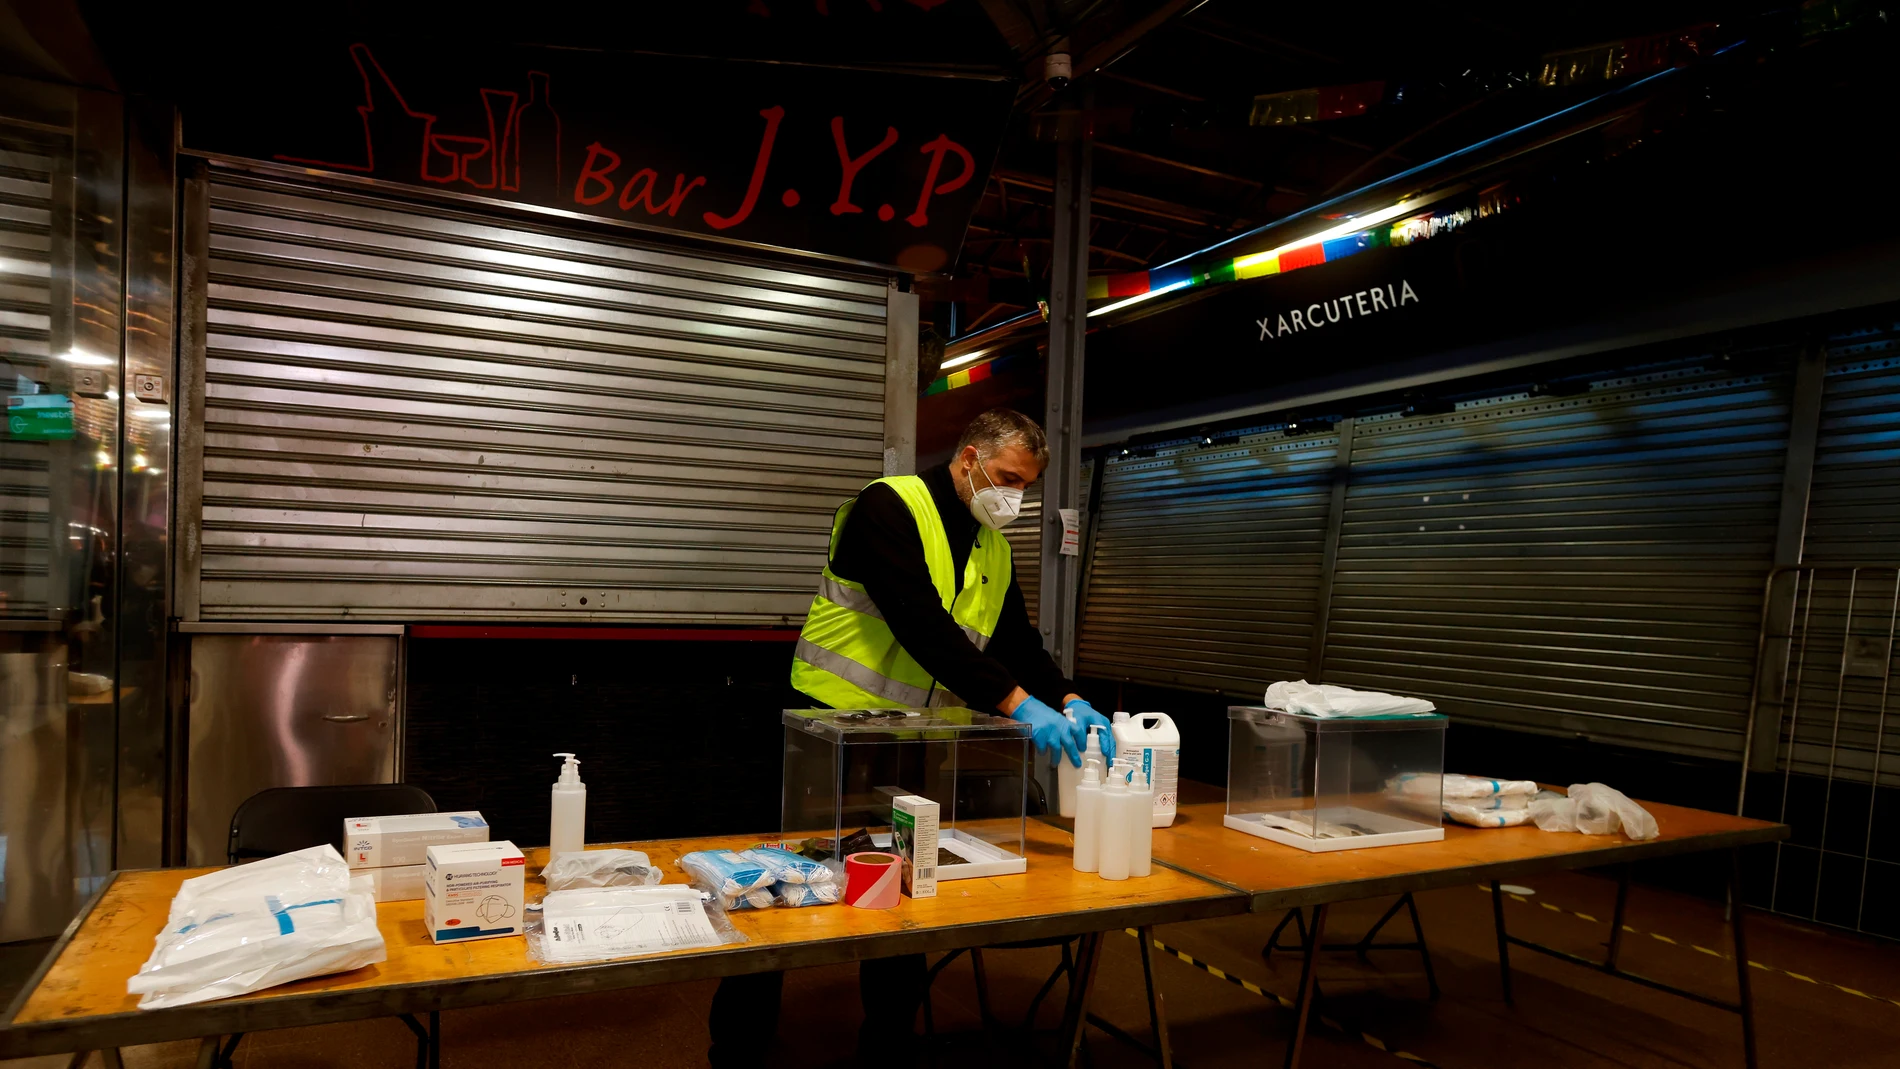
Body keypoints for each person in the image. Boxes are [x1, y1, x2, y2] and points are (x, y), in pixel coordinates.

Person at [707, 407, 1115, 1068]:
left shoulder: (992, 547)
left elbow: (1017, 642)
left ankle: (889, 1044)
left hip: (913, 744)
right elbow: (922, 626)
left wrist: (1067, 697)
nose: (1014, 497)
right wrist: (1019, 704)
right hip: (824, 734)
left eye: (1025, 486)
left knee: (904, 890)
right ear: (968, 458)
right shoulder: (885, 507)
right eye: (1007, 478)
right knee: (779, 890)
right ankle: (738, 1047)